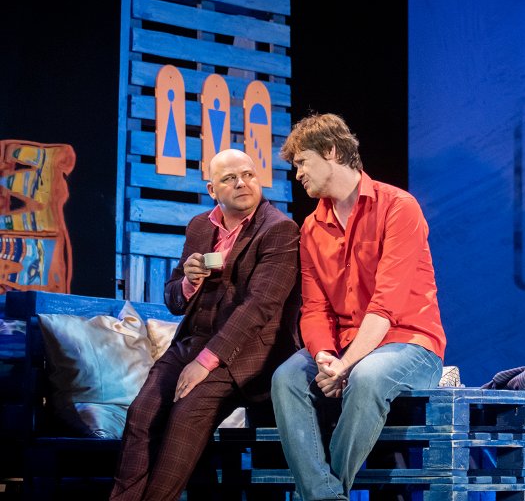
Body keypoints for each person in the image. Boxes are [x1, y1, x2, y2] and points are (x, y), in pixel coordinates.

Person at [271, 114, 446, 500]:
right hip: (344, 346)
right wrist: (324, 356)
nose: (298, 174)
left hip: (409, 344)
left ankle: (319, 494)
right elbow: (314, 309)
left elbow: (386, 305)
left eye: (302, 162)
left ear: (331, 151)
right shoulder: (311, 228)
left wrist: (346, 365)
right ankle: (326, 496)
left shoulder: (398, 207)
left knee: (366, 377)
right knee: (286, 379)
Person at [111, 149, 301, 501]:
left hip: (245, 354)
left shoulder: (279, 229)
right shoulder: (201, 226)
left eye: (248, 175)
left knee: (185, 415)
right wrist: (189, 281)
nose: (242, 183)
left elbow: (259, 307)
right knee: (142, 413)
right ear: (212, 189)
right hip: (193, 342)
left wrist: (205, 362)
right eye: (230, 178)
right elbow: (173, 300)